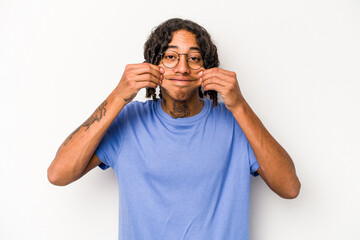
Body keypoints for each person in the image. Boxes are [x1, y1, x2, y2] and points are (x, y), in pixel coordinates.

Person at [48, 18, 301, 239]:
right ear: (153, 66)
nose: (182, 68)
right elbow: (58, 174)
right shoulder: (128, 121)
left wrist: (239, 105)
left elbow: (290, 188)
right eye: (170, 57)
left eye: (193, 58)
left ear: (207, 69)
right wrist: (118, 96)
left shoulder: (236, 122)